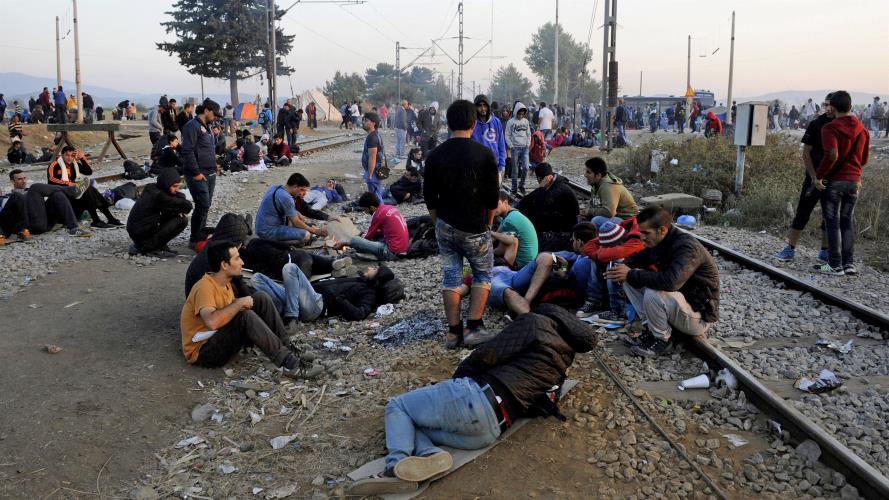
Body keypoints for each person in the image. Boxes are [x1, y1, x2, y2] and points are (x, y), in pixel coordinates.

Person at [350, 304, 596, 496]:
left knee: (399, 406)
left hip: (476, 398)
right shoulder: (564, 357)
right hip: (490, 431)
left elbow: (487, 354)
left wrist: (457, 379)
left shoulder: (536, 323)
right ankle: (429, 455)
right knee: (415, 422)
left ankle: (395, 467)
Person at [180, 240, 322, 378]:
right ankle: (290, 364)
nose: (242, 262)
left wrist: (240, 303)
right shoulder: (205, 287)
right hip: (204, 352)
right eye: (237, 259)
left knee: (260, 298)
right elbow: (212, 322)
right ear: (224, 265)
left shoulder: (225, 283)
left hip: (217, 337)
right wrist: (238, 304)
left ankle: (288, 347)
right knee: (245, 316)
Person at [424, 100, 500, 349]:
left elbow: (429, 197)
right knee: (482, 274)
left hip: (446, 225)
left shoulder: (435, 155)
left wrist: (439, 224)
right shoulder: (484, 154)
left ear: (448, 122)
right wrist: (488, 225)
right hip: (475, 228)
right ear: (474, 122)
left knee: (451, 277)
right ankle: (473, 328)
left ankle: (453, 333)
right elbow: (491, 200)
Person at [605, 207, 719, 357]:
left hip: (699, 316)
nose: (642, 237)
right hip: (681, 304)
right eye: (640, 232)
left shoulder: (687, 248)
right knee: (627, 277)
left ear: (662, 230)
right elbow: (639, 257)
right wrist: (623, 267)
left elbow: (671, 282)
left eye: (646, 233)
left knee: (653, 291)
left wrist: (631, 274)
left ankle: (661, 341)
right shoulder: (660, 241)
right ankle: (650, 329)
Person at [813, 90, 870, 276]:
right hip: (854, 181)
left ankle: (835, 264)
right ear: (851, 107)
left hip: (836, 183)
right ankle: (849, 264)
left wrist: (819, 176)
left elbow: (832, 155)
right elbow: (864, 159)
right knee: (847, 222)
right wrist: (854, 174)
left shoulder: (830, 128)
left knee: (833, 222)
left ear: (833, 107)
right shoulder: (862, 129)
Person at [775, 93, 834, 263]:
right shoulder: (816, 124)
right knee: (803, 212)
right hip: (814, 178)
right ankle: (790, 249)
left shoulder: (841, 125)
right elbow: (806, 152)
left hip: (833, 180)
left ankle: (825, 251)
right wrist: (814, 177)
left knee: (828, 216)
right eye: (826, 104)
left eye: (832, 105)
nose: (829, 108)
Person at [576, 219, 645, 321]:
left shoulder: (636, 239)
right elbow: (589, 245)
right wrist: (599, 255)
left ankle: (618, 312)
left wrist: (599, 253)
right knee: (595, 261)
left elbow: (615, 253)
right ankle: (593, 301)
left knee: (614, 263)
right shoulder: (617, 231)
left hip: (641, 280)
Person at [47, 146, 123, 229]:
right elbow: (51, 180)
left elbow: (88, 171)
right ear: (62, 155)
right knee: (86, 190)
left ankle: (110, 218)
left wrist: (82, 158)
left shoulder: (74, 165)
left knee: (90, 189)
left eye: (72, 156)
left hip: (72, 198)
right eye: (67, 155)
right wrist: (70, 184)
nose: (69, 158)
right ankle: (96, 221)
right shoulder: (54, 164)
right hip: (60, 199)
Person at [182, 99, 221, 250]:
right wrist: (196, 172)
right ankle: (194, 239)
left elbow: (208, 149)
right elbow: (187, 150)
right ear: (206, 110)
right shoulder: (192, 126)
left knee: (206, 205)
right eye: (214, 114)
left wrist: (215, 166)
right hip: (198, 174)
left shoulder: (208, 127)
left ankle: (201, 236)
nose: (216, 117)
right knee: (202, 204)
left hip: (210, 172)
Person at [126, 168, 192, 257]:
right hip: (141, 233)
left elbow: (177, 201)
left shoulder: (152, 187)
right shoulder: (159, 195)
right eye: (174, 186)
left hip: (139, 231)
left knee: (173, 213)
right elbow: (187, 205)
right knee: (182, 220)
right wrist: (181, 209)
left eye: (177, 186)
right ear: (166, 184)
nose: (177, 189)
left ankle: (157, 245)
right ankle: (149, 247)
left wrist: (178, 209)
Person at [517, 163, 579, 252]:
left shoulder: (559, 188)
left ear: (539, 178)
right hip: (557, 222)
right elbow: (526, 202)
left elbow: (540, 206)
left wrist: (541, 188)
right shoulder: (553, 184)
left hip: (564, 230)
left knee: (533, 214)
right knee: (528, 208)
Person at [255, 172, 329, 244]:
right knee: (306, 235)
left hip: (260, 228)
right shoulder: (286, 198)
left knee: (300, 217)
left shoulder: (276, 187)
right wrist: (316, 231)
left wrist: (298, 214)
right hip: (267, 232)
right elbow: (296, 222)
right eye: (301, 190)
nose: (302, 193)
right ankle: (275, 243)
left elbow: (300, 212)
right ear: (295, 187)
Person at [336, 192, 409, 260]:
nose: (365, 212)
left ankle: (372, 255)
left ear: (371, 207)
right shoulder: (389, 207)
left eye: (365, 209)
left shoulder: (378, 215)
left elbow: (367, 236)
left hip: (392, 252)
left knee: (355, 240)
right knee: (375, 234)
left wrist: (346, 243)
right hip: (403, 247)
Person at [583, 157, 638, 228]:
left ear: (598, 175)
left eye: (588, 172)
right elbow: (596, 205)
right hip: (617, 217)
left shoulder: (608, 186)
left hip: (628, 220)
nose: (585, 175)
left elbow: (609, 212)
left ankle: (601, 239)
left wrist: (590, 211)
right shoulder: (596, 184)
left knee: (596, 221)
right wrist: (587, 212)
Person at [491, 191, 538, 269]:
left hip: (521, 264)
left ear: (505, 202)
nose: (494, 208)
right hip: (530, 261)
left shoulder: (510, 221)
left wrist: (485, 254)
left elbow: (502, 249)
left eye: (497, 204)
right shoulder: (513, 213)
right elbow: (496, 234)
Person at [470, 95, 507, 182]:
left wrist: (502, 164)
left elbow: (501, 144)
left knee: (493, 194)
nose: (483, 108)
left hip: (494, 165)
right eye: (479, 105)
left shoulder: (496, 122)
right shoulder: (471, 122)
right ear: (475, 107)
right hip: (477, 166)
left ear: (488, 106)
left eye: (485, 105)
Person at [505, 102, 532, 195]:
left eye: (522, 114)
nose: (520, 115)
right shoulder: (510, 122)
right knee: (515, 170)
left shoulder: (526, 121)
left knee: (526, 167)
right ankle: (514, 188)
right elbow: (507, 135)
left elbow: (529, 134)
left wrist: (528, 144)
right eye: (519, 113)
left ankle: (522, 185)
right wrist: (511, 146)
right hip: (515, 148)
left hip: (524, 148)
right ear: (516, 112)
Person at [361, 112, 386, 203]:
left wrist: (370, 175)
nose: (363, 122)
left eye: (366, 120)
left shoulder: (372, 137)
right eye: (363, 120)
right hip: (376, 170)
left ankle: (382, 214)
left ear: (373, 123)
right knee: (376, 195)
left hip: (374, 171)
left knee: (376, 198)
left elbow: (372, 157)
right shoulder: (375, 135)